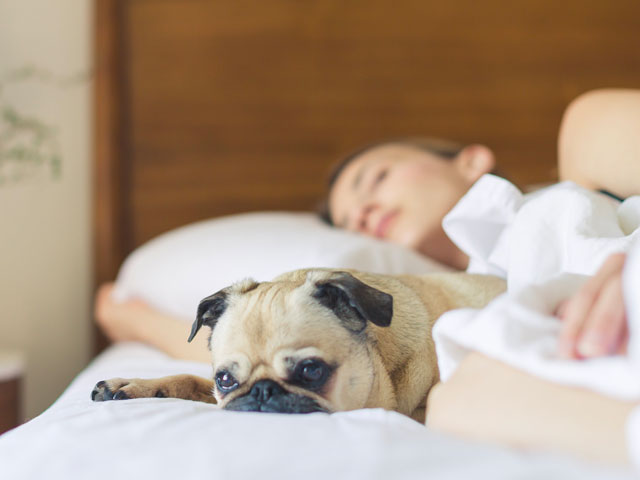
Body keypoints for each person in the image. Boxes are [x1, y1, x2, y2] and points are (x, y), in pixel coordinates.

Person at [95, 88, 640, 464]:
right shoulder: (442, 352)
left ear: (471, 161)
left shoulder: (584, 169)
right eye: (350, 222)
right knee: (460, 405)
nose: (363, 210)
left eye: (374, 177)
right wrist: (132, 317)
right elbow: (250, 350)